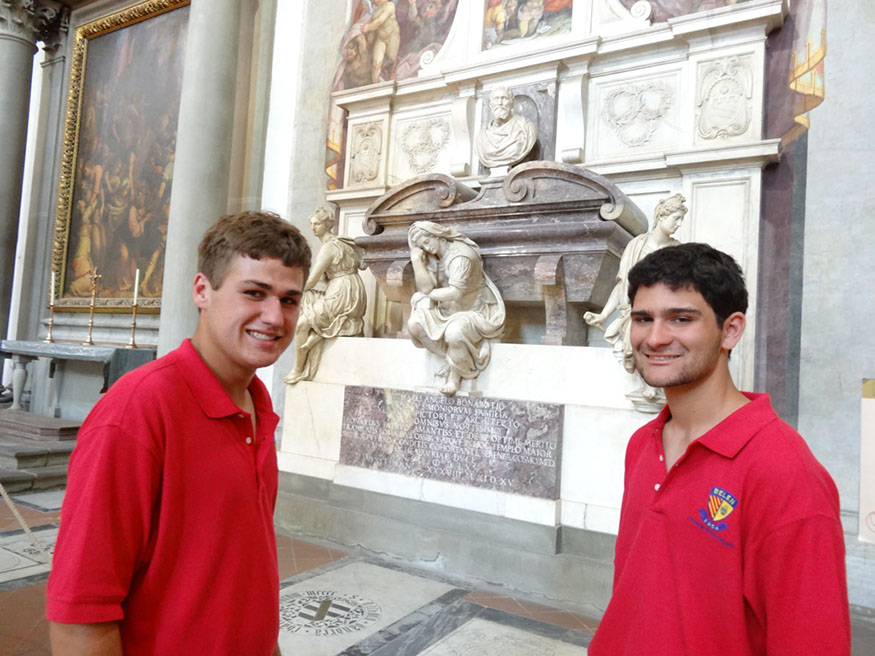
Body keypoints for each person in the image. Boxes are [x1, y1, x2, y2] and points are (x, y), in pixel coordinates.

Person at [46, 211, 311, 656]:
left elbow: (238, 567)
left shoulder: (257, 405)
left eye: (289, 300)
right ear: (202, 291)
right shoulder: (138, 410)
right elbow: (81, 610)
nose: (274, 316)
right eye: (254, 293)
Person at [588, 243, 850, 655]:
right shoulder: (643, 444)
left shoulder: (785, 473)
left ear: (731, 330)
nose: (655, 337)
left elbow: (812, 641)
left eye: (681, 318)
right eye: (643, 319)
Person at [584, 193, 687, 404]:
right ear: (661, 216)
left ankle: (654, 383)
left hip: (666, 311)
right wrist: (603, 315)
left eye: (681, 219)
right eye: (675, 218)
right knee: (635, 332)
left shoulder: (677, 251)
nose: (679, 224)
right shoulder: (636, 246)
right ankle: (649, 382)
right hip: (637, 311)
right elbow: (622, 285)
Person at [407, 220, 505, 395]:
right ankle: (453, 360)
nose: (427, 248)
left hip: (474, 310)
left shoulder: (461, 256)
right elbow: (426, 287)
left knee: (455, 333)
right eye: (422, 246)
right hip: (447, 309)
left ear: (436, 235)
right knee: (415, 324)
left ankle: (455, 376)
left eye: (427, 242)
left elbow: (454, 293)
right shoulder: (434, 256)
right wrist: (416, 260)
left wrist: (426, 295)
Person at [285, 207, 367, 384]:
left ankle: (298, 368)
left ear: (326, 225)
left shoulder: (329, 247)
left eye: (317, 224)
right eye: (312, 224)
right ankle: (315, 338)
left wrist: (291, 292)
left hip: (342, 292)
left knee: (302, 323)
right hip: (351, 289)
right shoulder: (340, 242)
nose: (313, 227)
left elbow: (312, 280)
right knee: (309, 301)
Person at [475, 85, 537, 170]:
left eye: (504, 98)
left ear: (512, 103)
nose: (500, 103)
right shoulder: (482, 136)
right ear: (491, 104)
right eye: (496, 99)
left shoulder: (526, 128)